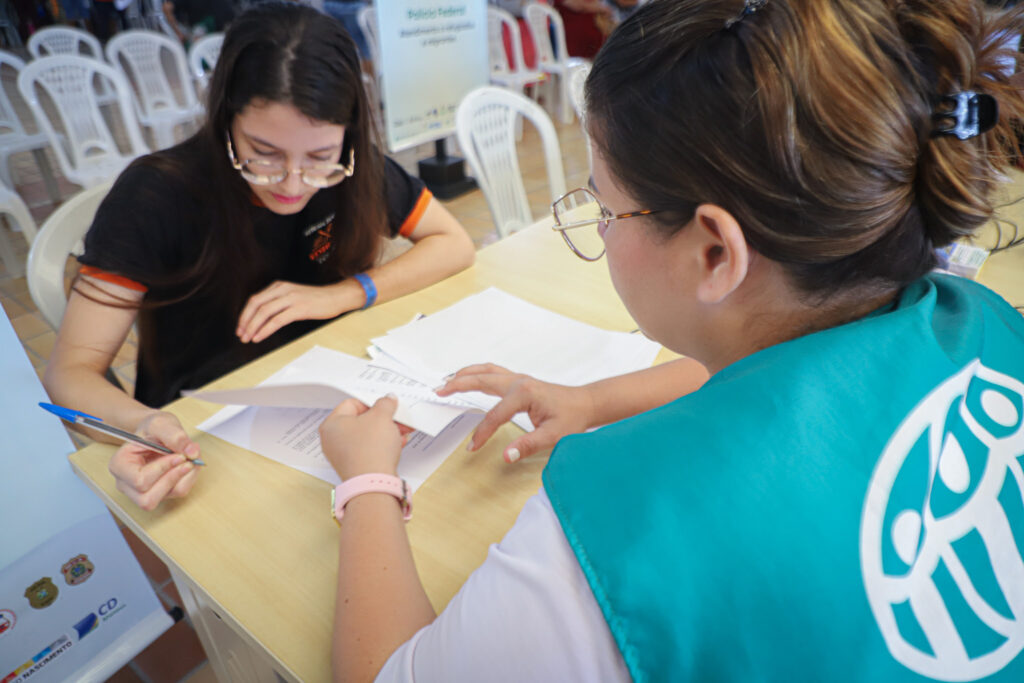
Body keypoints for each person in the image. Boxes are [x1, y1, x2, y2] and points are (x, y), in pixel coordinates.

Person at [316, 0, 1024, 680]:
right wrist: (591, 400)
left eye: (606, 206)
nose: (598, 228)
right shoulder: (982, 318)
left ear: (715, 252)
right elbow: (787, 387)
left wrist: (368, 476)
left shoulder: (627, 528)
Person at [43, 2, 475, 510]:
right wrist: (142, 424)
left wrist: (341, 295)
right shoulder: (155, 195)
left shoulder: (355, 168)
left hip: (324, 404)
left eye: (319, 158)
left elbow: (455, 244)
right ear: (227, 116)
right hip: (203, 423)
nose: (293, 184)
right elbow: (69, 372)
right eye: (264, 153)